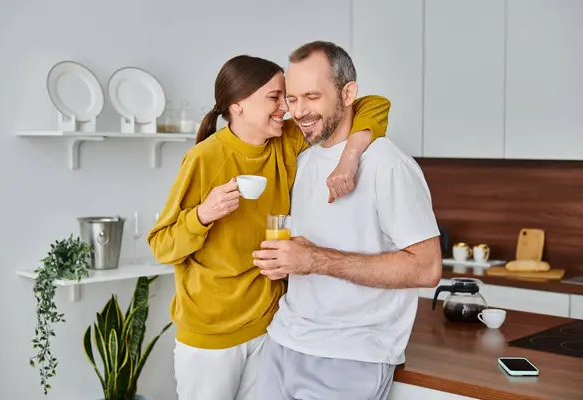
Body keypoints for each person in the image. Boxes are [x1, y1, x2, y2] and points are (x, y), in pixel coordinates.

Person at [147, 52, 391, 400]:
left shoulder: (285, 141)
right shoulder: (205, 158)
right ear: (238, 105)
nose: (286, 109)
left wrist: (351, 154)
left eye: (285, 97)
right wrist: (203, 214)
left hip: (268, 327)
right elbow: (161, 245)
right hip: (211, 335)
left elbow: (374, 104)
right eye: (275, 98)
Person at [253, 41, 442, 400]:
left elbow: (427, 269)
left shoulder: (388, 164)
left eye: (312, 96)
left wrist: (315, 260)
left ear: (348, 92)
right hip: (283, 342)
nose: (300, 111)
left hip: (350, 356)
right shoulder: (305, 161)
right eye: (292, 99)